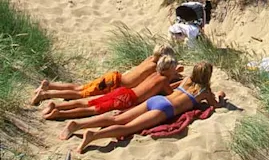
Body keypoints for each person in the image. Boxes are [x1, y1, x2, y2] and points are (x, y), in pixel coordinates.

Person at [74, 62, 224, 153]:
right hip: (165, 109)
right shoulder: (205, 91)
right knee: (128, 128)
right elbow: (215, 104)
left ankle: (79, 124)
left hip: (157, 99)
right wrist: (220, 95)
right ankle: (93, 136)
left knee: (118, 118)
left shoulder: (187, 80)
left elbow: (173, 86)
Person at [44, 55, 180, 124]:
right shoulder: (163, 81)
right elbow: (170, 94)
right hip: (128, 99)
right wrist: (180, 82)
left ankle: (58, 105)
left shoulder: (154, 74)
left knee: (89, 102)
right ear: (169, 70)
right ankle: (59, 113)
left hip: (123, 91)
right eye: (173, 69)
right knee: (93, 110)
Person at [31, 45, 174, 105]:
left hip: (114, 76)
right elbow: (160, 78)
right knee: (81, 94)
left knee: (80, 88)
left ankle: (50, 85)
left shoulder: (149, 59)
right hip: (114, 83)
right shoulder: (154, 67)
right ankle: (45, 95)